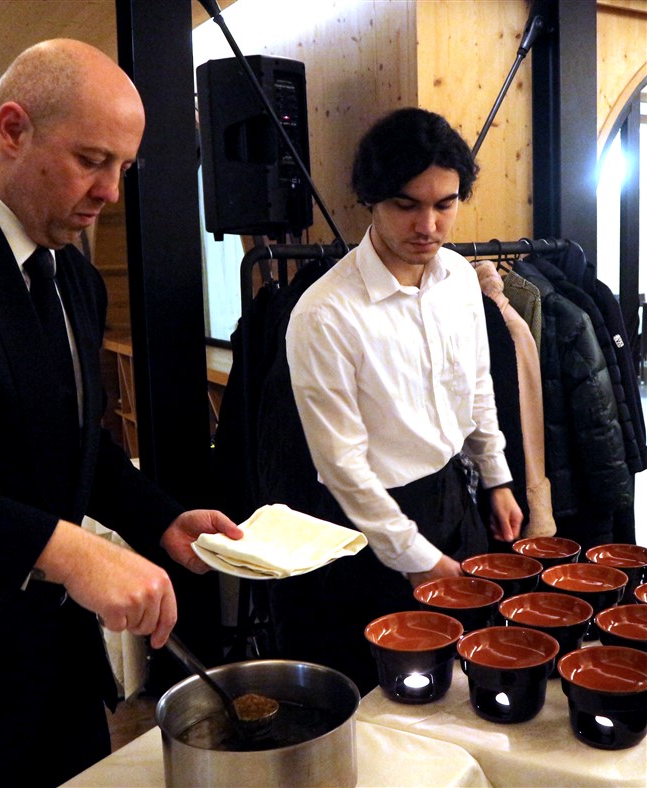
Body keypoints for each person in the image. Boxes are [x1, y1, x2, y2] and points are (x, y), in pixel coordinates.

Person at [0, 39, 242, 786]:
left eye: (124, 168)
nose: (110, 192)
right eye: (91, 160)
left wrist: (159, 518)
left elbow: (77, 443)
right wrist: (63, 547)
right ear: (13, 129)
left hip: (59, 660)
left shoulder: (76, 278)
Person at [272, 107, 524, 692]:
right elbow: (340, 463)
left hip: (453, 495)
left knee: (467, 673)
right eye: (406, 205)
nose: (428, 225)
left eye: (445, 204)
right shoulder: (325, 313)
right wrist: (412, 555)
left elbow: (477, 384)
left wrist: (497, 478)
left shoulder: (458, 279)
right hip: (365, 523)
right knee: (386, 691)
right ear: (371, 200)